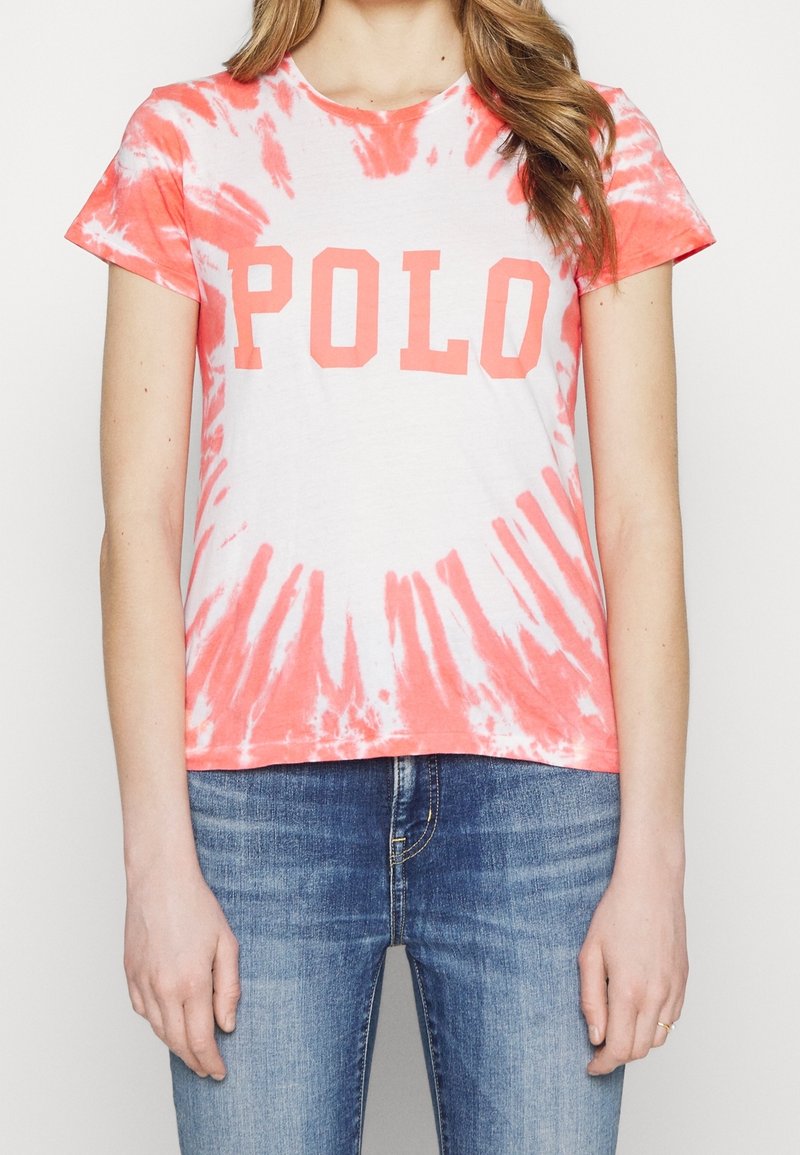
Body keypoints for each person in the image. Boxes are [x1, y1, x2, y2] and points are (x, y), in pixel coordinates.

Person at [64, 0, 715, 1151]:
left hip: (536, 800)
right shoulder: (184, 140)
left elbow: (640, 521)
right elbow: (137, 523)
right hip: (257, 800)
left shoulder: (585, 140)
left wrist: (653, 861)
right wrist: (154, 858)